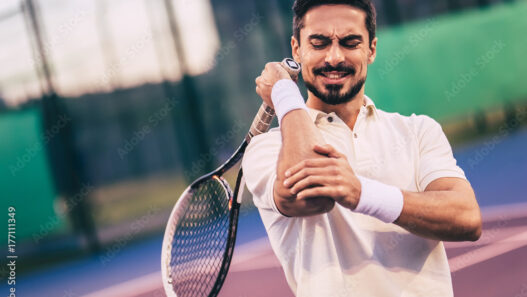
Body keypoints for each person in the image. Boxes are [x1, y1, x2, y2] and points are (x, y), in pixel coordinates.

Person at [242, 0, 482, 296]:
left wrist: (360, 193)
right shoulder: (267, 149)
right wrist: (284, 93)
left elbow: (467, 219)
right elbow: (311, 197)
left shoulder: (419, 131)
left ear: (371, 50)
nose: (334, 57)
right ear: (296, 50)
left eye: (350, 42)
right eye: (318, 43)